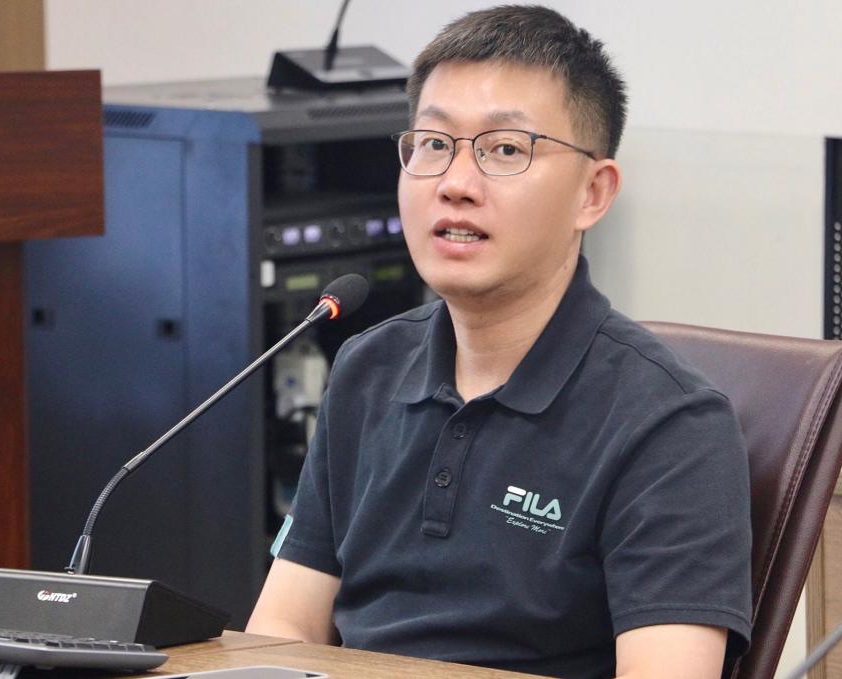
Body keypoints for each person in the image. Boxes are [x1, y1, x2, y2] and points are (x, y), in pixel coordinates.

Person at [247, 5, 752, 678]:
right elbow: (282, 627)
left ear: (593, 193)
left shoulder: (671, 426)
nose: (455, 184)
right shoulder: (368, 368)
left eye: (506, 150)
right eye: (433, 144)